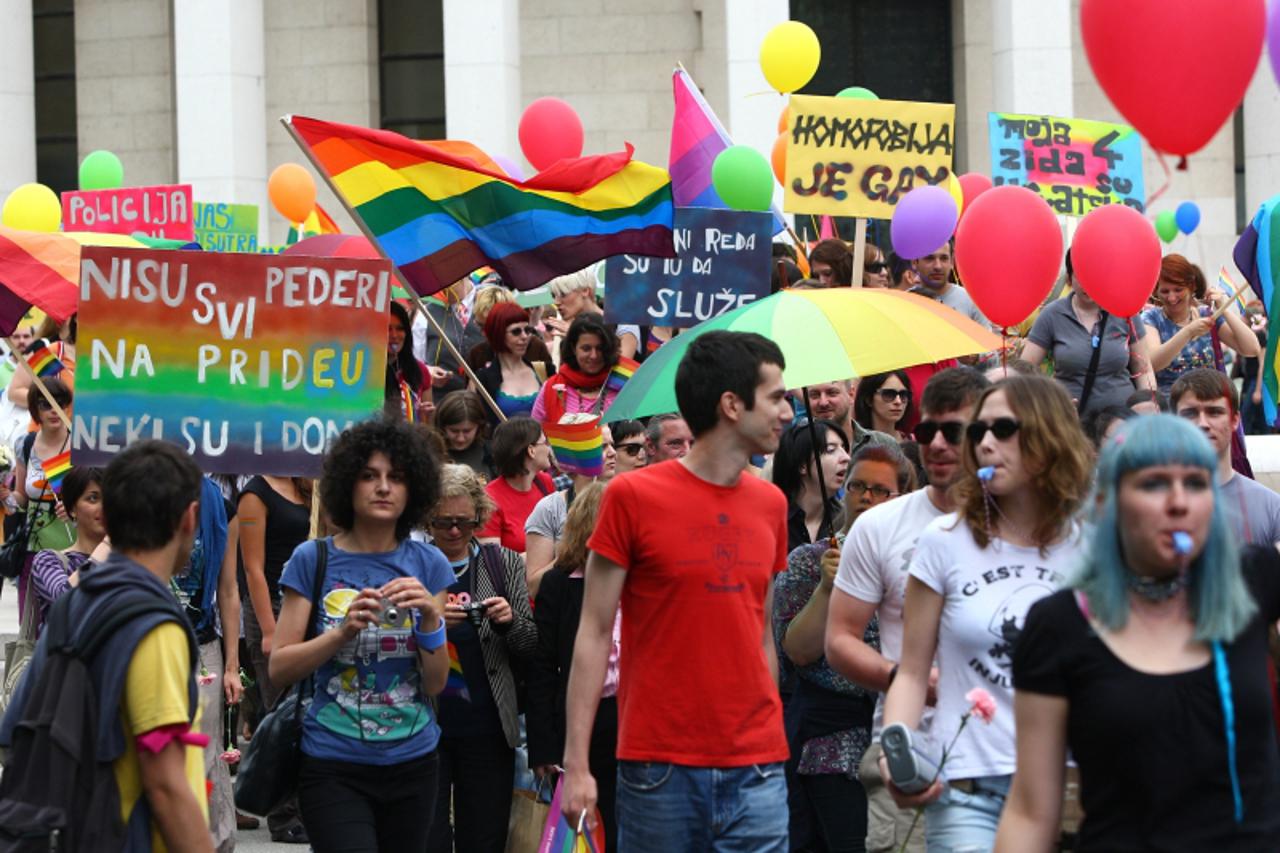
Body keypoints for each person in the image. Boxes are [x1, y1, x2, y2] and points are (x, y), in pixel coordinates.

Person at [995, 415, 1280, 851]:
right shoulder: (1060, 626)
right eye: (1154, 484)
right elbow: (1031, 811)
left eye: (1197, 483)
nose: (1179, 502)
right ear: (1108, 504)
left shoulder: (1254, 581)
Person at [562, 330, 794, 851]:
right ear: (732, 405)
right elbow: (594, 633)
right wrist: (576, 765)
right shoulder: (630, 497)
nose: (787, 412)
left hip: (758, 767)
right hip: (659, 767)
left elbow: (761, 633)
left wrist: (770, 732)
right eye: (776, 397)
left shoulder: (771, 504)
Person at [879, 375, 1093, 852]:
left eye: (1004, 430)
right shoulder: (944, 540)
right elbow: (913, 672)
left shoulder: (1092, 545)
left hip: (1075, 788)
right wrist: (897, 748)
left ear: (1048, 437)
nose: (987, 443)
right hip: (968, 789)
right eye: (979, 432)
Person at [2, 440, 217, 851]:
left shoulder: (77, 602)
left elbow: (15, 729)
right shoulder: (154, 626)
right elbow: (166, 785)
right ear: (190, 518)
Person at [826, 366, 991, 853]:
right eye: (926, 431)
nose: (936, 444)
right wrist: (908, 678)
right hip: (908, 754)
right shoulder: (879, 526)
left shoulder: (1022, 524)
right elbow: (840, 640)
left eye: (953, 432)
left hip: (1000, 756)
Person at [270, 417, 453, 853]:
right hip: (332, 763)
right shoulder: (311, 559)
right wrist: (342, 632)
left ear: (414, 489)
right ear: (346, 485)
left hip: (414, 762)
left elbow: (436, 683)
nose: (383, 487)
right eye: (369, 476)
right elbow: (279, 668)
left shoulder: (429, 564)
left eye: (396, 477)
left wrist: (431, 618)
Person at [426, 464, 537, 853]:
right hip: (425, 725)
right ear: (427, 518)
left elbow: (531, 646)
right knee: (427, 837)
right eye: (443, 523)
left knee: (484, 838)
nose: (454, 531)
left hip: (489, 726)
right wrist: (430, 622)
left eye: (465, 522)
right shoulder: (412, 565)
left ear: (479, 516)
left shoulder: (502, 563)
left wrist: (508, 622)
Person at [526, 482, 620, 851]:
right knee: (587, 832)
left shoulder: (645, 580)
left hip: (634, 716)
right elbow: (542, 668)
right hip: (583, 719)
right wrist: (544, 747)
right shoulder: (559, 583)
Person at [237, 473, 311, 843]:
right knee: (280, 709)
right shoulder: (255, 492)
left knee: (309, 709)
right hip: (271, 606)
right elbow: (252, 567)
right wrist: (268, 629)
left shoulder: (309, 484)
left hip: (307, 605)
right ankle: (283, 815)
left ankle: (307, 806)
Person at [1022, 251, 1158, 414]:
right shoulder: (1052, 315)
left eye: (1095, 275)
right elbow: (1025, 369)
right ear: (1069, 278)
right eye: (1081, 276)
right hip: (1070, 420)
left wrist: (1148, 406)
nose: (1088, 284)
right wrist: (1049, 400)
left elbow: (1143, 369)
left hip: (1121, 419)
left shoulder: (1125, 311)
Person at [525, 423, 640, 596]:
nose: (612, 452)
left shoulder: (632, 501)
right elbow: (534, 588)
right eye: (602, 447)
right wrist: (573, 551)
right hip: (571, 614)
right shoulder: (550, 508)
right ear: (576, 457)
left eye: (612, 445)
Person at [1170, 368, 1280, 545]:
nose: (1203, 423)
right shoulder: (1151, 505)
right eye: (1190, 413)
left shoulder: (1272, 507)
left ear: (1235, 420)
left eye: (1214, 412)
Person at [3, 377, 75, 622]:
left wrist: (75, 508)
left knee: (69, 624)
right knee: (30, 627)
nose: (54, 410)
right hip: (34, 548)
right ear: (35, 409)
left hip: (75, 548)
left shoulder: (81, 443)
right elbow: (22, 497)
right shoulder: (26, 444)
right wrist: (6, 497)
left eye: (60, 402)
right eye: (46, 404)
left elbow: (100, 496)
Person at [1142, 254, 1259, 394]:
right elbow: (1153, 362)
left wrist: (1224, 309)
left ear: (1192, 287)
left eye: (1178, 290)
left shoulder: (1208, 315)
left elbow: (1251, 349)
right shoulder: (1151, 318)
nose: (1171, 297)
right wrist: (1188, 332)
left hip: (1212, 401)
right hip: (1172, 408)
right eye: (1165, 291)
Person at [26, 466, 103, 634]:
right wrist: (107, 547)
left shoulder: (127, 561)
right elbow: (65, 598)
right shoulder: (49, 560)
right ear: (72, 509)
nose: (103, 507)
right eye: (93, 498)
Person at [478, 416, 555, 553]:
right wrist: (543, 555)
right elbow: (493, 561)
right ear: (531, 451)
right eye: (545, 442)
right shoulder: (489, 499)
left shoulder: (545, 482)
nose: (549, 448)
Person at [772, 418, 850, 551]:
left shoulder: (846, 520)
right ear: (802, 464)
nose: (846, 458)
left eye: (844, 448)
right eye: (831, 450)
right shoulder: (771, 520)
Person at [531, 315, 623, 426]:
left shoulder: (623, 384)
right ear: (573, 348)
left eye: (600, 348)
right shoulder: (552, 388)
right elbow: (537, 437)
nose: (594, 356)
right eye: (586, 348)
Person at [472, 302, 549, 423]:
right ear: (499, 334)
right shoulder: (483, 379)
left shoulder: (543, 370)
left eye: (527, 330)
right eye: (516, 331)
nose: (524, 336)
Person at [414, 278, 486, 403]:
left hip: (484, 406)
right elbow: (413, 362)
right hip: (441, 406)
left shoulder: (490, 303)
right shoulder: (425, 314)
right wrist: (426, 371)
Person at [803, 380, 898, 458]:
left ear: (851, 395)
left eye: (832, 393)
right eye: (814, 395)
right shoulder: (799, 448)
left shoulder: (883, 444)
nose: (823, 402)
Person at [910, 242, 991, 328]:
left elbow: (986, 340)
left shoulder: (971, 301)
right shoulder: (904, 302)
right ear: (915, 262)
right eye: (929, 258)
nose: (938, 266)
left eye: (944, 258)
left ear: (952, 262)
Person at [843, 443, 918, 529]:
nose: (866, 497)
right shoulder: (830, 542)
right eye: (857, 486)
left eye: (879, 490)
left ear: (901, 498)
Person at [386, 301, 438, 422]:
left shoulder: (420, 371)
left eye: (400, 328)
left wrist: (424, 416)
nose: (394, 335)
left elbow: (428, 428)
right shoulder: (365, 370)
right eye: (387, 328)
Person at [8, 314, 75, 407]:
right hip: (49, 420)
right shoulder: (45, 348)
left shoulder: (97, 354)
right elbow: (15, 392)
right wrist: (51, 402)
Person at [433, 389, 494, 479]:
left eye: (467, 431)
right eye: (454, 431)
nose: (460, 438)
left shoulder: (491, 454)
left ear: (479, 426)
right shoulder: (431, 454)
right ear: (442, 426)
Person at [853, 371, 915, 440]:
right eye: (888, 394)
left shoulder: (915, 443)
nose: (898, 401)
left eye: (903, 395)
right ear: (869, 399)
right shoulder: (853, 444)